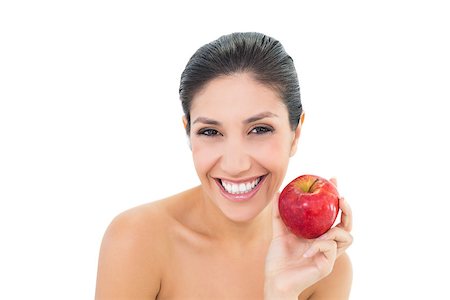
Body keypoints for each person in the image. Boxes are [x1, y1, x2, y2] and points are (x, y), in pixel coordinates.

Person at [95, 32, 353, 300]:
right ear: (188, 133)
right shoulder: (137, 240)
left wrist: (282, 292)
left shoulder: (321, 267)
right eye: (210, 132)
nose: (235, 165)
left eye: (260, 129)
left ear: (295, 133)